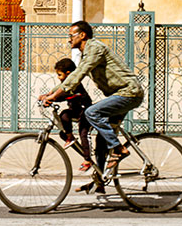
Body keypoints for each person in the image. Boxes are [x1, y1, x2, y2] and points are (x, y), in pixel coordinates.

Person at [40, 20, 144, 173]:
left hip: (129, 93)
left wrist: (55, 96)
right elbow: (74, 75)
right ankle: (101, 178)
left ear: (82, 35)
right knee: (101, 139)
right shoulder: (87, 55)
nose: (69, 39)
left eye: (71, 35)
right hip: (118, 95)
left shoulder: (95, 48)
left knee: (91, 112)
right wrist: (50, 93)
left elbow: (79, 74)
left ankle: (118, 148)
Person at [49, 58, 91, 154]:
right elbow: (60, 88)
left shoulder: (75, 85)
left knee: (83, 133)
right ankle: (70, 137)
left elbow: (65, 94)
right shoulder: (65, 84)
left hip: (85, 111)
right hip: (76, 110)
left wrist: (53, 98)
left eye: (59, 75)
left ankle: (87, 159)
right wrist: (48, 94)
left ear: (68, 73)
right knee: (64, 115)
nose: (58, 77)